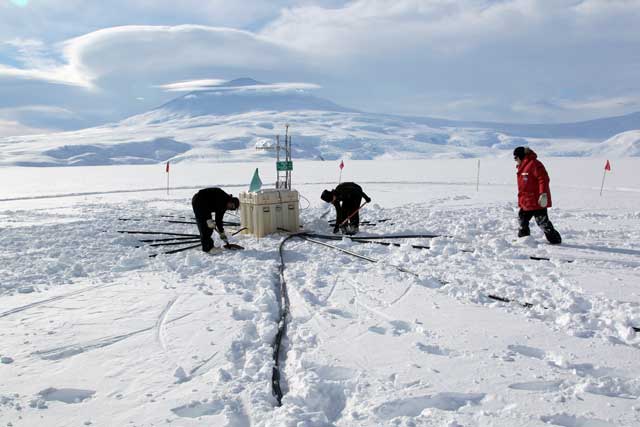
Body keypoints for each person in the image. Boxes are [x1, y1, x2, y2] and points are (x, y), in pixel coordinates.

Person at [513, 147, 562, 244]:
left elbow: (543, 179)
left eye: (516, 157)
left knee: (543, 223)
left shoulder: (535, 164)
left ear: (521, 156)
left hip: (537, 200)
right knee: (522, 219)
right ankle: (524, 240)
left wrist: (543, 194)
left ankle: (555, 241)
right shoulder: (523, 166)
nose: (515, 160)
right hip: (527, 200)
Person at [191, 188, 240, 252]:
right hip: (199, 201)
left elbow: (219, 220)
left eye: (232, 209)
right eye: (232, 206)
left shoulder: (224, 205)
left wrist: (222, 232)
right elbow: (205, 201)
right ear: (231, 201)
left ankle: (209, 246)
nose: (230, 208)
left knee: (209, 228)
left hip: (205, 206)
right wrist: (208, 219)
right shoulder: (221, 197)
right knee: (204, 226)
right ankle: (207, 249)